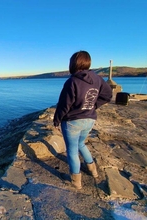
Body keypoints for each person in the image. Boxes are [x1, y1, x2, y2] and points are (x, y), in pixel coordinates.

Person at [53, 51, 112, 189]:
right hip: (89, 119)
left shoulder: (72, 81)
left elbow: (64, 105)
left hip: (73, 122)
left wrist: (56, 120)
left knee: (72, 151)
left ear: (73, 63)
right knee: (81, 144)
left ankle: (76, 181)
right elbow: (108, 95)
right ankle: (93, 171)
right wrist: (92, 106)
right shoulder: (97, 78)